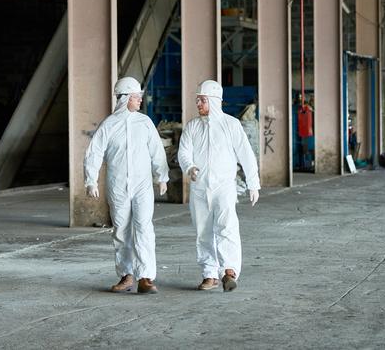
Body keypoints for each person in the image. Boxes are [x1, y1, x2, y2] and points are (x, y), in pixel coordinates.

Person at [84, 76, 169, 294]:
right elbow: (94, 153)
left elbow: (156, 152)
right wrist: (90, 180)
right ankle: (127, 275)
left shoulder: (145, 123)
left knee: (144, 227)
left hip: (142, 185)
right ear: (124, 99)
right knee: (121, 229)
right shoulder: (109, 125)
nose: (140, 100)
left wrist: (162, 176)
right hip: (118, 185)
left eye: (139, 96)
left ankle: (146, 277)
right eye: (135, 96)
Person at [177, 79, 260, 292]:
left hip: (224, 186)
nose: (198, 104)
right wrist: (189, 166)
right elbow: (184, 151)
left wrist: (253, 183)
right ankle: (209, 274)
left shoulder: (231, 125)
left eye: (202, 100)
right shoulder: (193, 126)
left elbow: (246, 154)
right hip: (199, 188)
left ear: (214, 101)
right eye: (197, 100)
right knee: (203, 231)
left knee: (227, 227)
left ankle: (229, 271)